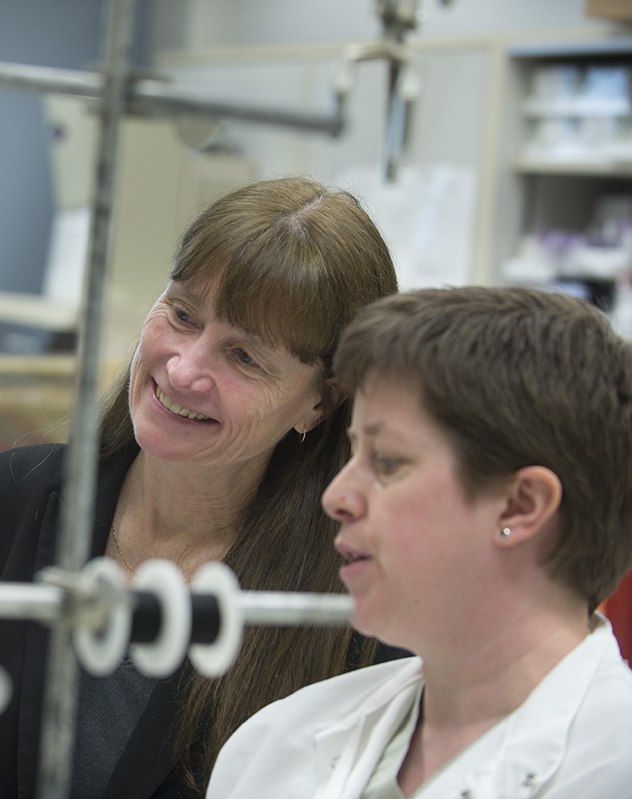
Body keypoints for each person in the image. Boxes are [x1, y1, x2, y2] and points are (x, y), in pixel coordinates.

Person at [0, 177, 399, 799]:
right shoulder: (5, 502)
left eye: (245, 357)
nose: (183, 368)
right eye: (182, 314)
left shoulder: (350, 604)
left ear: (319, 402)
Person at [206, 286, 632, 799]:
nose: (337, 497)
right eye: (352, 453)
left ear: (521, 506)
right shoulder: (275, 747)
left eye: (387, 462)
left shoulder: (612, 766)